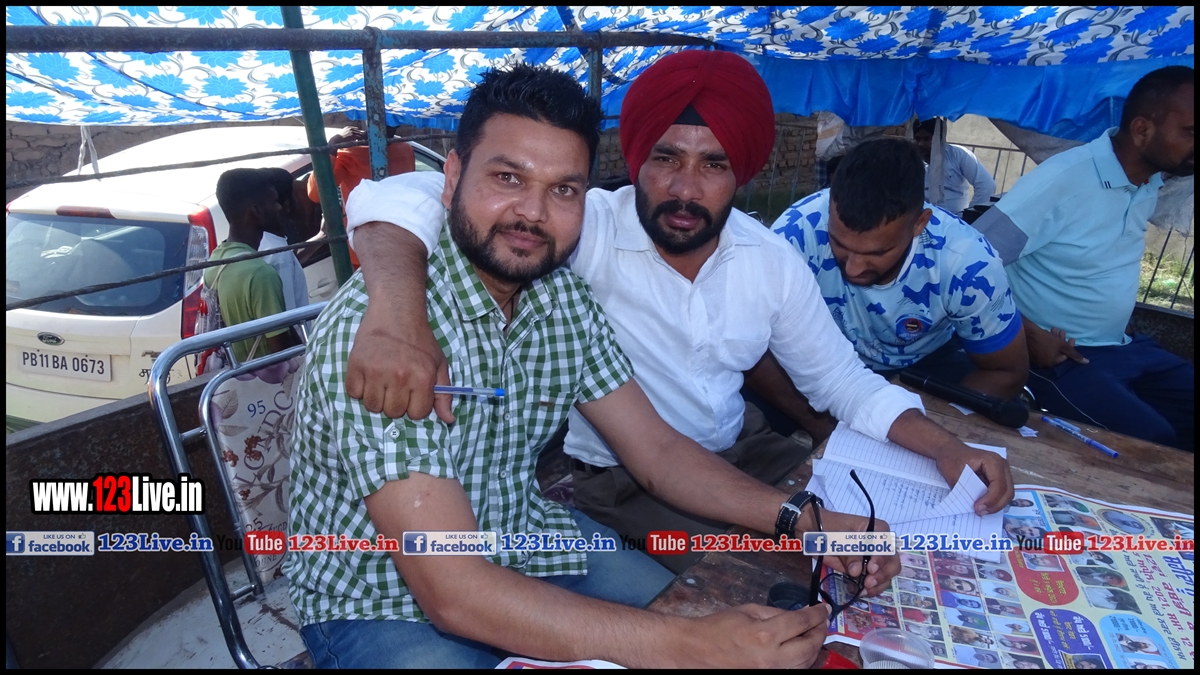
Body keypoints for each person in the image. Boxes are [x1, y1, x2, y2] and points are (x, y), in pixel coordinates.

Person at [284, 64, 895, 670]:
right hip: (379, 600)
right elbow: (455, 592)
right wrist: (692, 646)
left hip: (525, 538)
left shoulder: (561, 299)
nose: (532, 212)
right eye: (507, 177)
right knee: (688, 640)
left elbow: (657, 451)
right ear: (451, 179)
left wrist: (804, 518)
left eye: (563, 190)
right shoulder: (385, 337)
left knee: (696, 611)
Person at [342, 50, 1015, 573]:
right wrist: (396, 314)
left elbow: (841, 380)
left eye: (714, 164)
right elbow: (403, 195)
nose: (685, 189)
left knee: (889, 546)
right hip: (626, 479)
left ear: (742, 172)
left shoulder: (769, 258)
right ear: (637, 158)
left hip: (746, 451)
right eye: (666, 157)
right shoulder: (578, 226)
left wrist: (949, 449)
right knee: (784, 577)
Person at [972, 66, 1195, 450]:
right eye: (1191, 132)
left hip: (1121, 345)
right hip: (1058, 355)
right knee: (1149, 445)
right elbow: (964, 268)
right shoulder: (1063, 181)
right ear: (1142, 130)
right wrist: (1028, 334)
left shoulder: (1149, 182)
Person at [772, 138, 1028, 401]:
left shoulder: (968, 264)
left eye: (877, 253)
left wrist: (921, 417)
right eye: (838, 244)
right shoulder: (792, 236)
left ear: (919, 223)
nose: (853, 269)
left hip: (926, 363)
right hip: (818, 361)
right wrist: (822, 422)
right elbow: (758, 348)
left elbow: (1006, 371)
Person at [203, 168, 298, 362]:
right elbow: (284, 351)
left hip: (238, 375)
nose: (279, 208)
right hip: (271, 378)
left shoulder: (216, 261)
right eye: (274, 202)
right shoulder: (261, 274)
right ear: (257, 211)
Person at [306, 120, 418, 266]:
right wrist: (333, 146)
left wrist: (333, 145)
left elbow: (315, 193)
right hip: (394, 241)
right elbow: (316, 193)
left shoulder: (404, 150)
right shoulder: (404, 149)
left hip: (370, 245)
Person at [913, 118, 997, 215]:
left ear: (940, 139)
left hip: (956, 217)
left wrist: (971, 216)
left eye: (927, 139)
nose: (921, 144)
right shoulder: (912, 160)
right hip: (924, 218)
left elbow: (986, 185)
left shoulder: (958, 155)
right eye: (917, 139)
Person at [260, 168, 311, 311]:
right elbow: (289, 315)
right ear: (287, 203)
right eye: (296, 192)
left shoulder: (268, 242)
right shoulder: (279, 255)